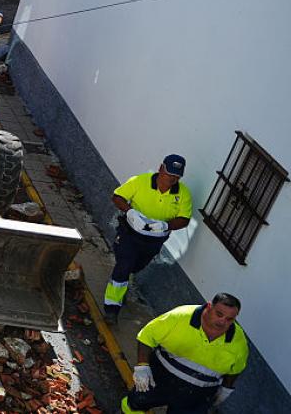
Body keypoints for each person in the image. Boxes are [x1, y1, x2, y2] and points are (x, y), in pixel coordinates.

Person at [123, 293, 248, 414]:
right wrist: (142, 366)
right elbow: (147, 336)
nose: (222, 322)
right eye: (219, 314)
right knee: (135, 405)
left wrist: (225, 389)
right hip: (159, 378)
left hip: (197, 395)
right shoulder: (180, 317)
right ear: (209, 306)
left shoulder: (238, 342)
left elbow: (235, 369)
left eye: (229, 319)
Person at [104, 154, 193, 322]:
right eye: (169, 173)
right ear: (161, 168)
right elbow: (117, 197)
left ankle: (121, 284)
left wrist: (167, 225)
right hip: (129, 233)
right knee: (124, 265)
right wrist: (129, 211)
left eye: (176, 176)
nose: (172, 179)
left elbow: (184, 219)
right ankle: (112, 308)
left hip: (154, 240)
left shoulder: (183, 194)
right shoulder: (140, 181)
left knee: (136, 267)